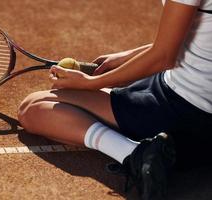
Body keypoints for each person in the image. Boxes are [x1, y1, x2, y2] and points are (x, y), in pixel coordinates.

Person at [17, 0, 212, 199]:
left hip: (184, 111)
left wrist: (92, 83)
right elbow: (183, 36)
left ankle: (138, 155)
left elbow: (163, 56)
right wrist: (123, 58)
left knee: (34, 108)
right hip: (194, 98)